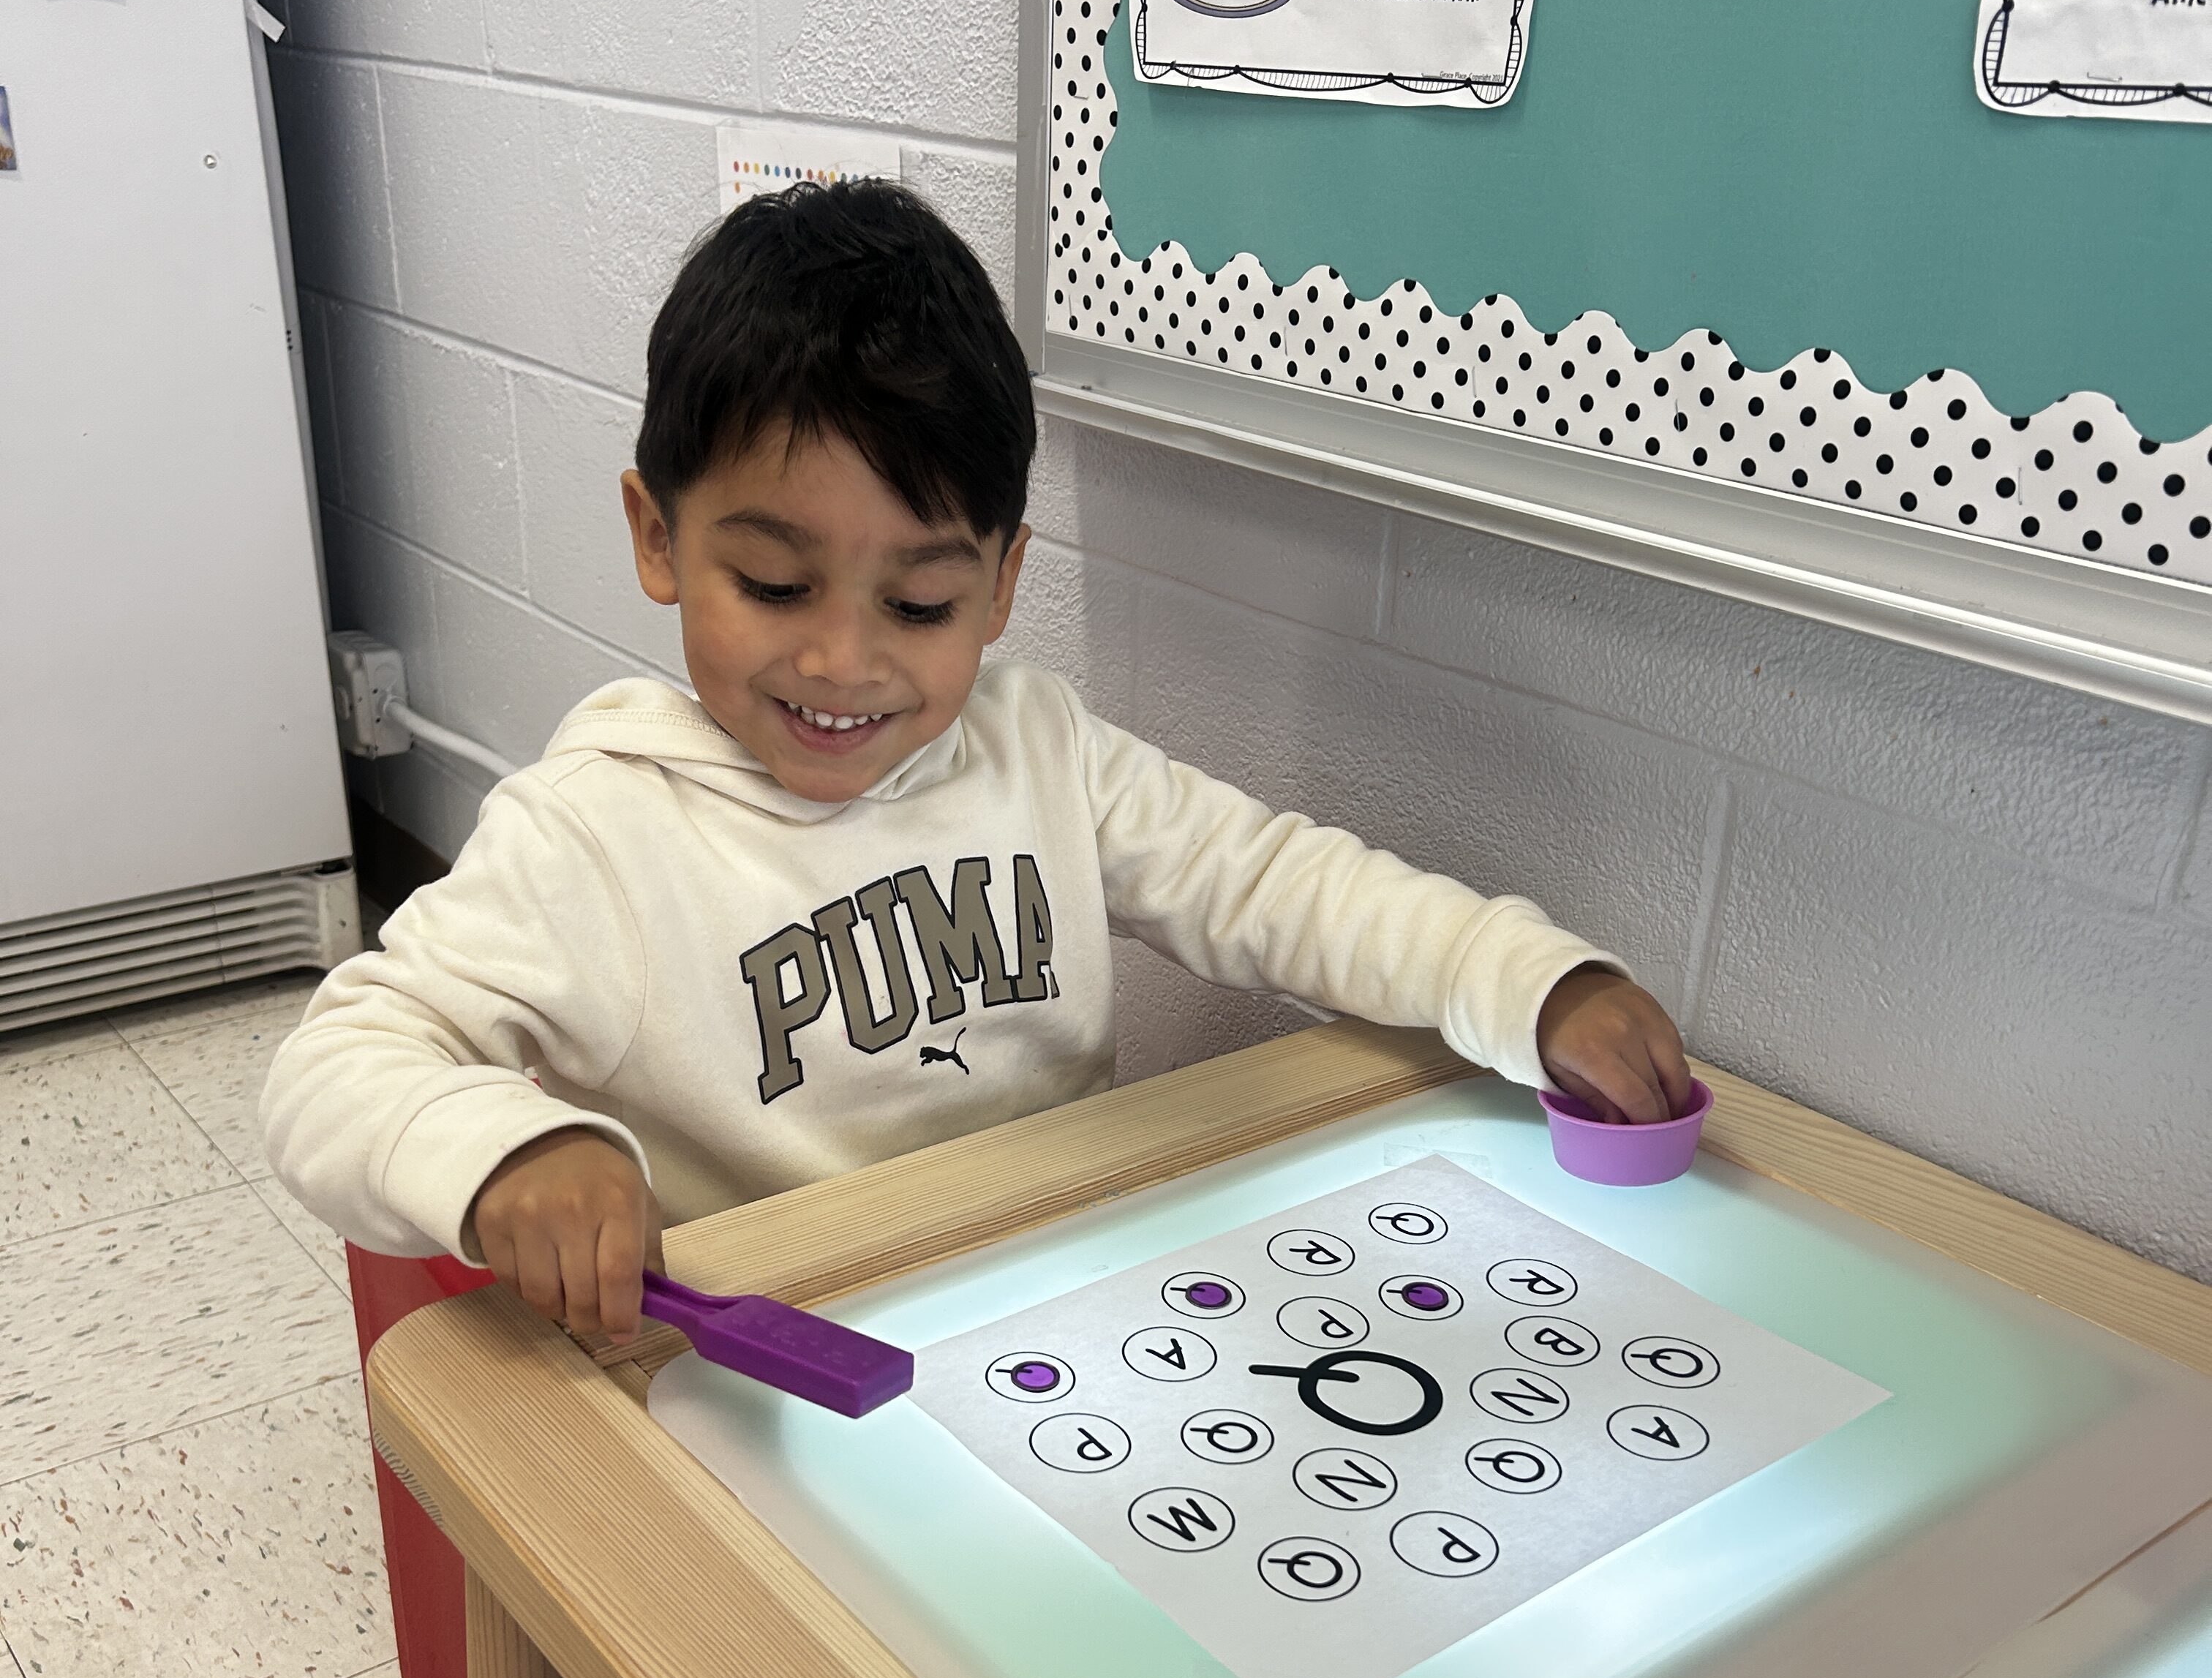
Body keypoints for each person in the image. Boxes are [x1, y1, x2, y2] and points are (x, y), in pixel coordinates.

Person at [263, 182, 1691, 1347]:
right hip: (769, 1371)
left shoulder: (1040, 753)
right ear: (657, 537)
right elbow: (336, 1066)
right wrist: (506, 1153)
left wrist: (1526, 980)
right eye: (774, 584)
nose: (842, 660)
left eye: (920, 603)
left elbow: (1274, 884)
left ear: (1001, 585)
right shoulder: (594, 834)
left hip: (1052, 1319)